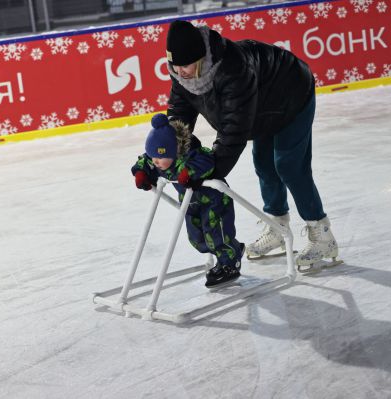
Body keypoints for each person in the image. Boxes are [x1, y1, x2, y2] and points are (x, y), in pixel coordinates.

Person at [164, 20, 338, 268]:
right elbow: (179, 113)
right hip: (261, 106)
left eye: (186, 66)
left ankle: (322, 234)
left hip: (291, 92)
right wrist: (170, 152)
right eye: (175, 65)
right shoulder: (182, 73)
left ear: (202, 58)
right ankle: (278, 227)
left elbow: (234, 130)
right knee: (264, 165)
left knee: (288, 165)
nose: (180, 72)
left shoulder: (233, 69)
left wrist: (209, 171)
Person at [131, 113, 245, 288]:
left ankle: (230, 263)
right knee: (197, 239)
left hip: (214, 201)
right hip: (190, 203)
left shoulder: (190, 155)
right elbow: (144, 162)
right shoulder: (159, 159)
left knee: (217, 236)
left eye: (160, 157)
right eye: (153, 157)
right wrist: (141, 173)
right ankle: (232, 249)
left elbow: (206, 159)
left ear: (173, 151)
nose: (156, 162)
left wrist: (189, 172)